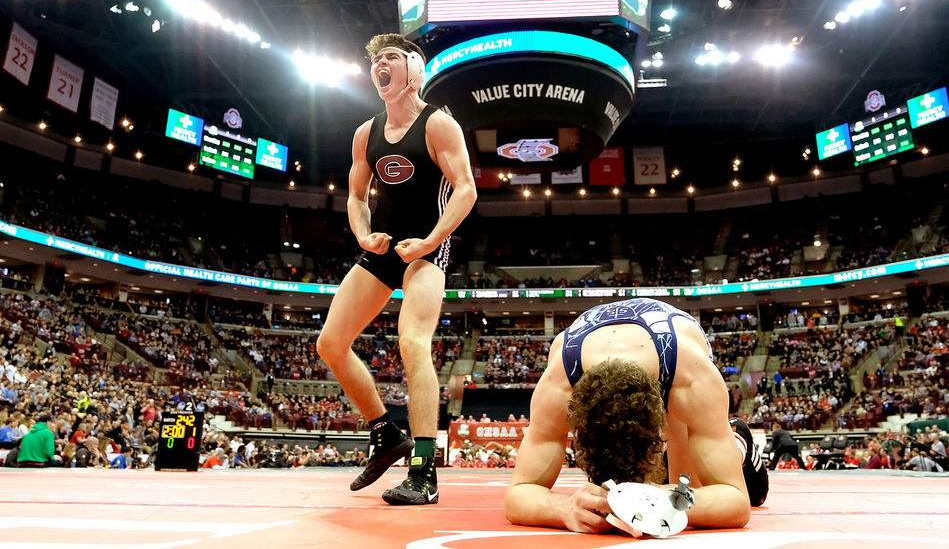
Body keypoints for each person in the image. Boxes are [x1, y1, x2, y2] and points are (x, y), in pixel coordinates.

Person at [316, 33, 476, 506]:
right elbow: (355, 196)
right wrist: (362, 235)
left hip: (427, 249)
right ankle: (386, 433)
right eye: (375, 60)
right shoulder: (365, 133)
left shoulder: (438, 125)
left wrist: (430, 240)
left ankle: (424, 471)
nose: (379, 65)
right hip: (383, 248)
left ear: (414, 69)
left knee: (413, 342)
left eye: (390, 58)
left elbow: (466, 190)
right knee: (330, 343)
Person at [505, 298, 766, 534]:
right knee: (624, 496)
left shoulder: (692, 381)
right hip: (636, 355)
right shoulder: (559, 386)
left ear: (658, 432)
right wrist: (562, 508)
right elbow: (518, 494)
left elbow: (736, 502)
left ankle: (738, 440)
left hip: (672, 364)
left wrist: (659, 495)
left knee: (686, 496)